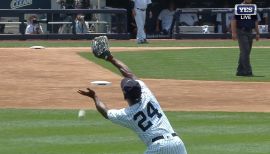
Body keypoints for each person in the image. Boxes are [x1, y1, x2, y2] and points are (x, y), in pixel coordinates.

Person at [78, 52, 187, 153]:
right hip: (177, 143)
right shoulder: (147, 95)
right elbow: (128, 73)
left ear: (125, 96)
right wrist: (110, 58)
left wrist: (94, 97)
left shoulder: (127, 114)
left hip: (158, 147)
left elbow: (106, 112)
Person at [231, 0, 260, 76]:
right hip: (241, 31)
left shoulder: (253, 7)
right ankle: (248, 71)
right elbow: (234, 20)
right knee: (245, 51)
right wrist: (233, 32)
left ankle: (240, 71)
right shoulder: (239, 7)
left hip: (250, 31)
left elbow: (255, 21)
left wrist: (257, 33)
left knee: (245, 52)